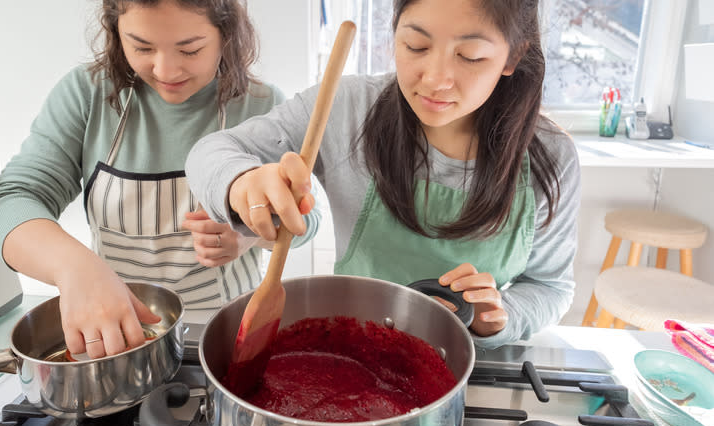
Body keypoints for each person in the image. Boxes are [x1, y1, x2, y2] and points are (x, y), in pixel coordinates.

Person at [186, 0, 581, 349]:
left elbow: (550, 288)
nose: (435, 78)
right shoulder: (348, 107)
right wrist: (242, 182)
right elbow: (210, 152)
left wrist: (500, 317)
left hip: (467, 365)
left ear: (513, 57)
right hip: (350, 350)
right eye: (416, 46)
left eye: (471, 56)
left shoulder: (551, 156)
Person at [0, 0, 320, 359]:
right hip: (119, 342)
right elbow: (10, 201)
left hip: (226, 341)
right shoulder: (88, 95)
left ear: (227, 35)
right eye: (141, 46)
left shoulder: (259, 105)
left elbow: (307, 222)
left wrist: (249, 232)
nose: (165, 69)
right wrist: (75, 268)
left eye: (190, 49)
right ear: (116, 31)